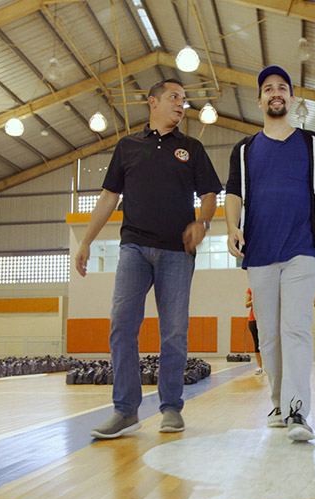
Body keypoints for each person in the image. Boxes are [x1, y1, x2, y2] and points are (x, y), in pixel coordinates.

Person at [77, 78, 221, 439]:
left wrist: (202, 223)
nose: (181, 104)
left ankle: (171, 408)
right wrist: (85, 242)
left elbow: (209, 194)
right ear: (152, 102)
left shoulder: (192, 148)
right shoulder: (128, 146)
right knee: (122, 326)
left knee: (174, 334)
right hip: (133, 249)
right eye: (174, 97)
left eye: (184, 99)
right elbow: (109, 198)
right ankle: (125, 411)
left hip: (177, 253)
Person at [225, 65, 315, 442]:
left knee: (296, 329)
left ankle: (298, 411)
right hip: (259, 252)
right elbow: (233, 194)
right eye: (268, 88)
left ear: (291, 99)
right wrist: (231, 227)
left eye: (282, 88)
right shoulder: (244, 149)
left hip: (301, 249)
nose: (275, 93)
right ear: (259, 100)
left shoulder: (312, 143)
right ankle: (278, 402)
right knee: (270, 337)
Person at [246, 287, 263, 374]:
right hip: (253, 320)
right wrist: (254, 300)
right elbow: (246, 304)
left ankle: (270, 366)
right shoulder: (250, 289)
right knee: (257, 344)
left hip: (264, 319)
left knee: (266, 343)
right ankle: (260, 367)